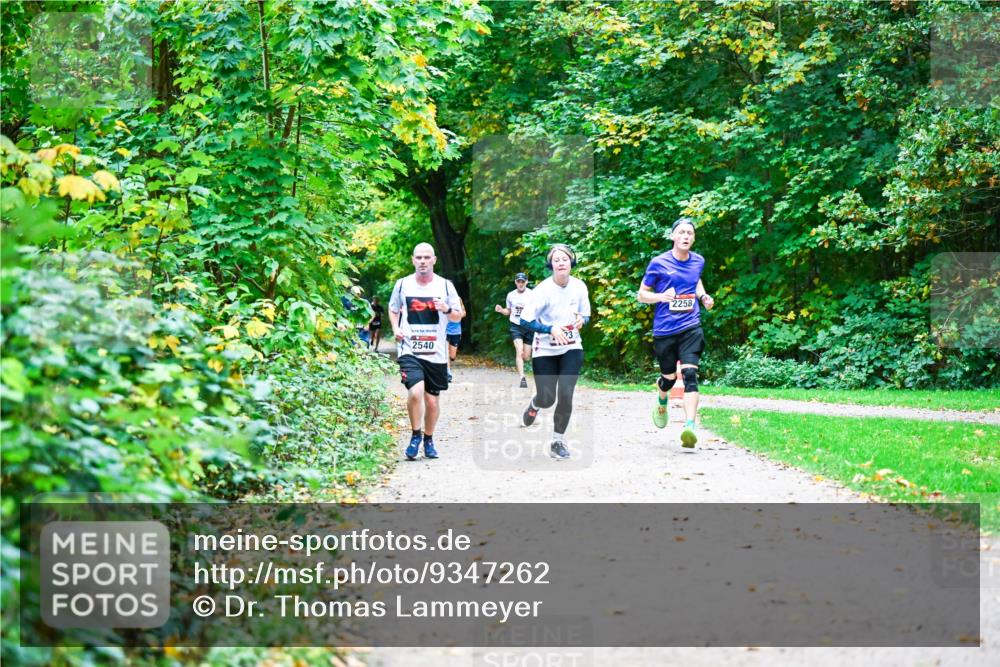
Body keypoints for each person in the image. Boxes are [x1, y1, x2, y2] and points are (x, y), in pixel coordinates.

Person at [636, 217, 714, 448]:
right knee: (669, 379)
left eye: (690, 233)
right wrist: (661, 297)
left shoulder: (698, 261)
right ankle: (662, 398)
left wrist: (702, 296)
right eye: (681, 232)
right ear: (673, 236)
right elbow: (642, 294)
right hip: (665, 329)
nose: (686, 236)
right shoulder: (658, 263)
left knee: (690, 375)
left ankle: (689, 426)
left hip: (691, 325)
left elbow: (695, 280)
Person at [389, 243, 463, 460]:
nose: (422, 261)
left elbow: (458, 316)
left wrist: (447, 309)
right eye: (419, 257)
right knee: (415, 392)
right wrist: (396, 328)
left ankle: (429, 438)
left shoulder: (446, 286)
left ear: (434, 260)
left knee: (432, 401)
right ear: (413, 260)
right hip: (409, 349)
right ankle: (415, 436)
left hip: (436, 352)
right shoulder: (402, 285)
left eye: (426, 257)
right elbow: (393, 309)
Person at [518, 245, 591, 460]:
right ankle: (536, 402)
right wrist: (550, 328)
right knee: (547, 398)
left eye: (565, 259)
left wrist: (581, 321)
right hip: (546, 350)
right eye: (556, 260)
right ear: (551, 265)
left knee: (566, 394)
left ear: (571, 262)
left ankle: (557, 441)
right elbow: (525, 320)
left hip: (571, 347)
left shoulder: (579, 287)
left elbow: (585, 315)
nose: (561, 262)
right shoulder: (542, 290)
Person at [494, 272, 534, 388]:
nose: (520, 284)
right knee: (519, 350)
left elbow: (536, 310)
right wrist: (501, 310)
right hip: (516, 326)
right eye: (518, 281)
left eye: (523, 281)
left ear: (526, 282)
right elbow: (508, 311)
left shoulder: (532, 295)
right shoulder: (511, 295)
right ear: (515, 282)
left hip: (529, 326)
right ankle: (522, 378)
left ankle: (524, 364)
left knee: (526, 356)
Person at [445, 297, 466, 382]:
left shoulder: (457, 299)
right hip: (444, 330)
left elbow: (464, 313)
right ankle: (448, 372)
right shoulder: (442, 299)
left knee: (452, 356)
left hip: (455, 331)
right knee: (445, 351)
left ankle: (449, 363)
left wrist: (457, 314)